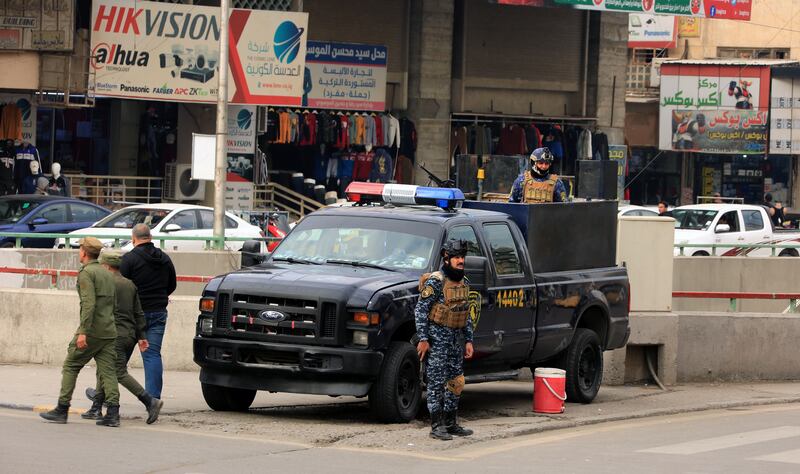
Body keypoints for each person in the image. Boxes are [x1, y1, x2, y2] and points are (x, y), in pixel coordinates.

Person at [40, 237, 121, 427]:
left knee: (71, 365)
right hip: (109, 330)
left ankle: (62, 409)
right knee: (108, 371)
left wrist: (83, 332)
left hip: (92, 330)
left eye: (80, 249)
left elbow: (88, 304)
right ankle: (113, 413)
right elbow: (113, 304)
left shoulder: (86, 273)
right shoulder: (107, 273)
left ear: (84, 252)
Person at [82, 251, 164, 424]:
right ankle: (96, 406)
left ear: (105, 266)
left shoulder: (105, 283)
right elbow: (138, 312)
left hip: (113, 333)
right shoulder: (130, 284)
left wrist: (86, 331)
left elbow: (95, 309)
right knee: (104, 367)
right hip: (129, 334)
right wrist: (141, 336)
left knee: (118, 371)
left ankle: (150, 401)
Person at [415, 239, 474, 441]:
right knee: (436, 383)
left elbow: (466, 313)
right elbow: (421, 310)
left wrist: (469, 340)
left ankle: (451, 423)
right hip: (437, 339)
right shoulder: (436, 282)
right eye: (457, 257)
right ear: (446, 258)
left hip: (456, 340)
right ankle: (436, 425)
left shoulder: (464, 282)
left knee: (456, 382)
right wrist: (423, 338)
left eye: (462, 257)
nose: (461, 261)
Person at [120, 224, 177, 400]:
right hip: (158, 312)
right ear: (150, 238)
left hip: (134, 315)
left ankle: (106, 395)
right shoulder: (165, 258)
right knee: (152, 354)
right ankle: (153, 399)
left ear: (133, 239)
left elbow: (122, 286)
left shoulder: (129, 259)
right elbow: (172, 284)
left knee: (119, 356)